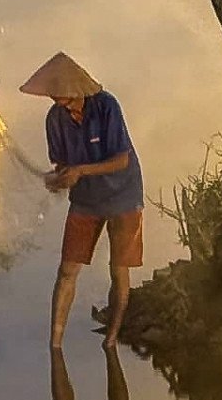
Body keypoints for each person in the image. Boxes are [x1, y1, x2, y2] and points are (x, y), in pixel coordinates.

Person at [19, 52, 144, 348]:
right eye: (55, 95)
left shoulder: (107, 106)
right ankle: (56, 342)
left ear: (78, 90)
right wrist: (59, 177)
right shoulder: (55, 119)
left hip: (123, 194)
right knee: (67, 269)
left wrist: (80, 170)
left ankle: (112, 337)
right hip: (86, 199)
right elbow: (62, 164)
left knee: (119, 267)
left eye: (65, 95)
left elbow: (121, 159)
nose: (61, 101)